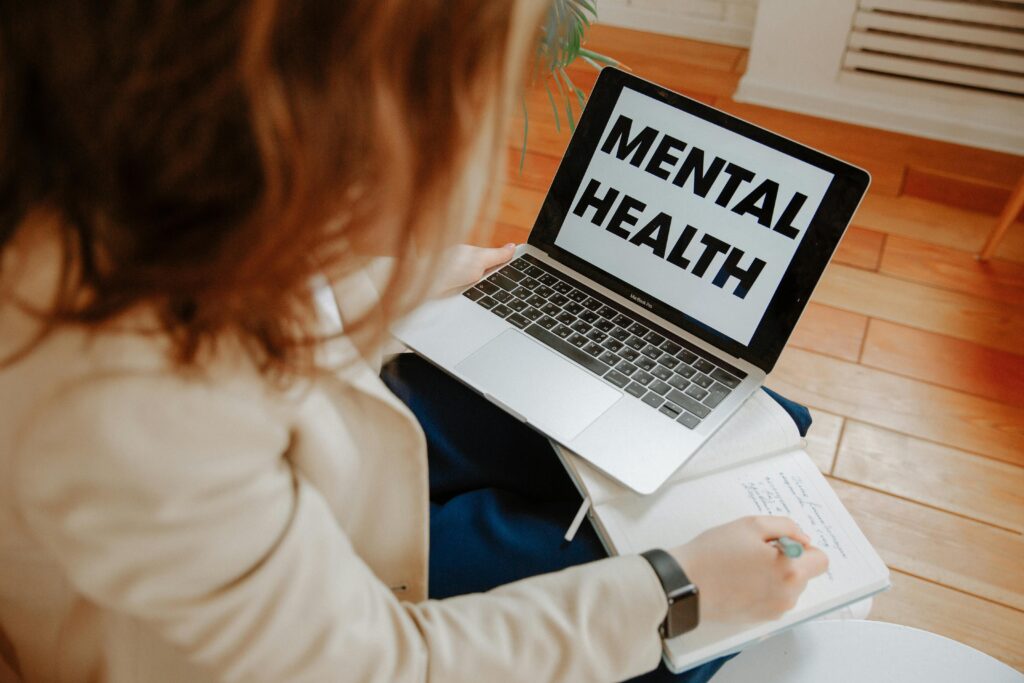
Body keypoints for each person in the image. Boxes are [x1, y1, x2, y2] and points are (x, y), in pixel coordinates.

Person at [0, 2, 828, 681]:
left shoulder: (117, 175)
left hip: (310, 434)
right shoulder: (129, 400)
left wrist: (430, 271)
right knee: (698, 621)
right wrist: (678, 588)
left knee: (761, 416)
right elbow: (383, 666)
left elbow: (260, 280)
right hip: (298, 582)